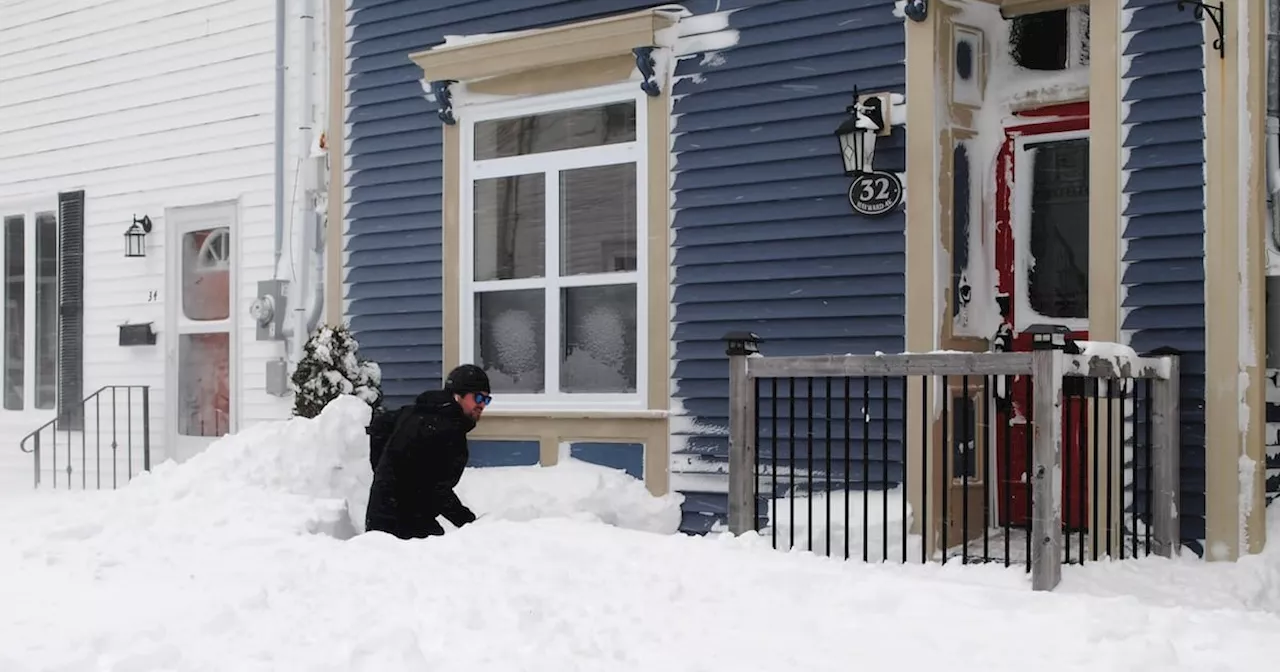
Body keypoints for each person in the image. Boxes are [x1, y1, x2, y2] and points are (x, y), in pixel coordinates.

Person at [364, 364, 491, 539]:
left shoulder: (418, 411)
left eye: (486, 400)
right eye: (478, 398)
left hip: (380, 517)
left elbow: (380, 426)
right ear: (458, 395)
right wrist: (467, 521)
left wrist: (384, 473)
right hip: (403, 524)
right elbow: (436, 489)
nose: (482, 405)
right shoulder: (447, 430)